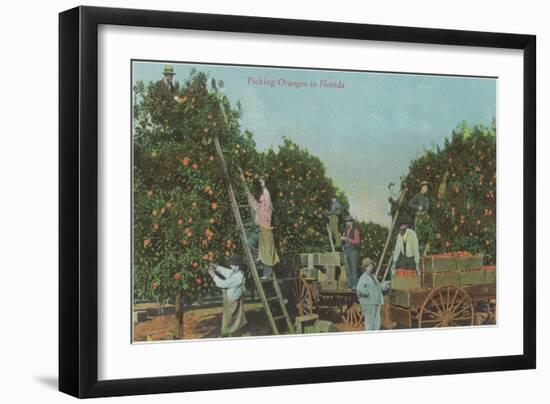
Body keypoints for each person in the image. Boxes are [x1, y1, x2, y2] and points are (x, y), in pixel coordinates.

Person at [246, 177, 280, 279]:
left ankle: (267, 274)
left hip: (267, 230)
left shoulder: (268, 207)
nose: (261, 200)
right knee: (250, 242)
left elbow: (267, 197)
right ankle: (258, 256)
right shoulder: (260, 207)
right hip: (260, 229)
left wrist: (264, 186)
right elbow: (254, 205)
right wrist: (249, 195)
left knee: (268, 252)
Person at [207, 254, 247, 337]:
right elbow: (226, 271)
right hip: (233, 298)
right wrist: (215, 266)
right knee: (232, 319)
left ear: (238, 266)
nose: (231, 266)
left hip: (232, 301)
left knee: (230, 319)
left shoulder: (237, 278)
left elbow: (222, 284)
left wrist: (213, 275)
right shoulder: (236, 272)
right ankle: (232, 332)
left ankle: (232, 334)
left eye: (233, 265)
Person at [356, 257, 390, 331]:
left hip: (376, 302)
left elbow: (379, 287)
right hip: (369, 303)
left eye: (371, 266)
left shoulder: (373, 276)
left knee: (377, 319)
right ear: (365, 268)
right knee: (369, 320)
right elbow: (359, 288)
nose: (371, 267)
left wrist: (385, 285)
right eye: (370, 266)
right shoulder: (364, 277)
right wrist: (367, 293)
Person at [341, 215, 360, 289]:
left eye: (348, 221)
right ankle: (349, 286)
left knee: (353, 269)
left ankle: (355, 285)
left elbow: (357, 241)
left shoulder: (355, 230)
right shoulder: (345, 231)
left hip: (353, 250)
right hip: (346, 250)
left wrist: (347, 239)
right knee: (348, 269)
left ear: (352, 222)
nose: (346, 223)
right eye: (346, 222)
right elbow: (343, 241)